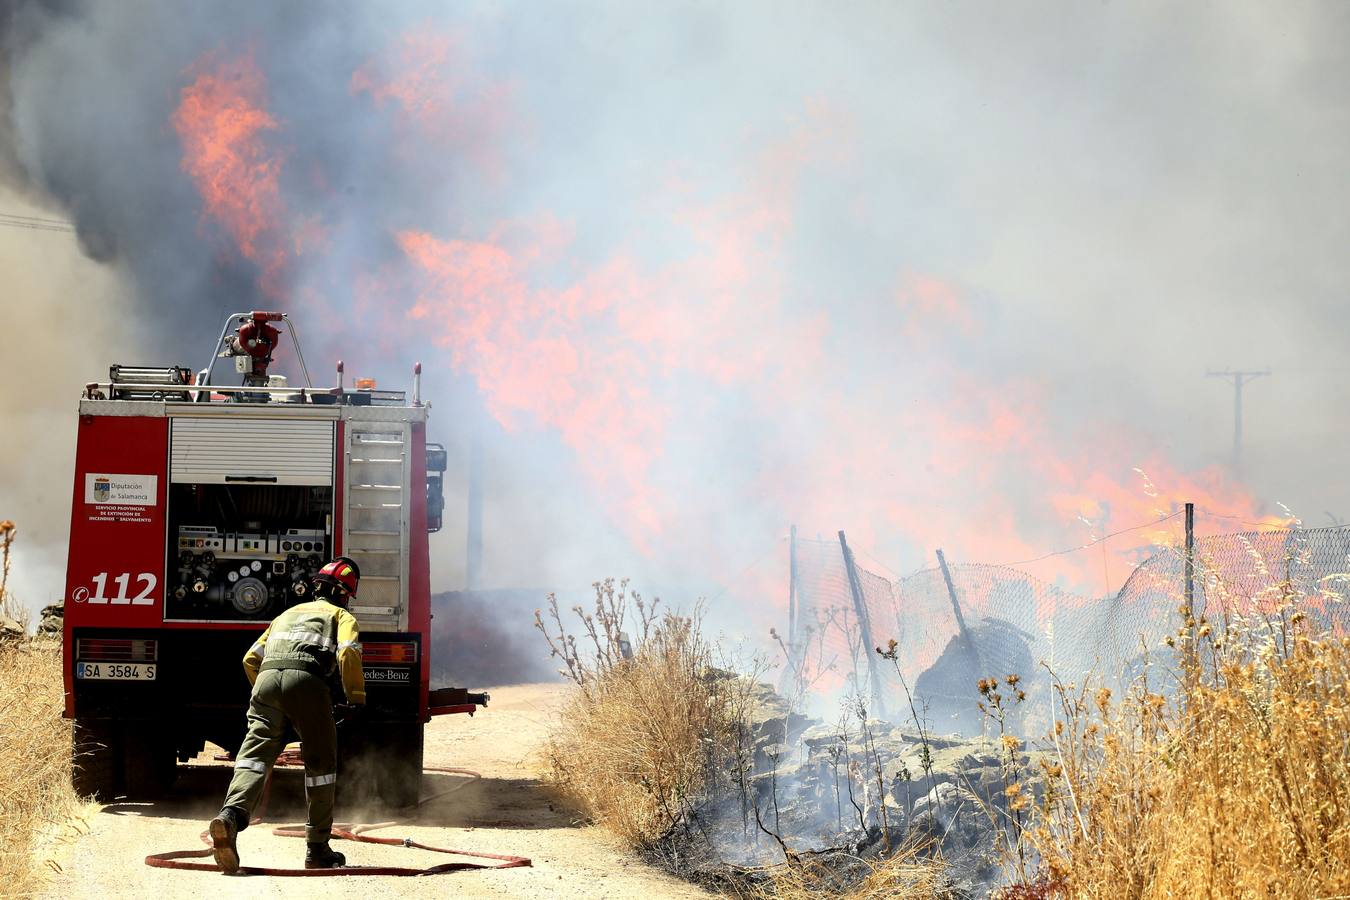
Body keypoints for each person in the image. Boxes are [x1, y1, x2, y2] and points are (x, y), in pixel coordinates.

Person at [208, 557, 366, 872]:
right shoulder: (341, 616)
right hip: (307, 682)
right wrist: (355, 698)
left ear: (317, 587)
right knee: (320, 766)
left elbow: (250, 658)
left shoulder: (286, 614)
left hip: (265, 682)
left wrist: (270, 699)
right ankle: (317, 848)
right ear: (344, 594)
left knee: (254, 758)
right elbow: (348, 652)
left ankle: (230, 816)